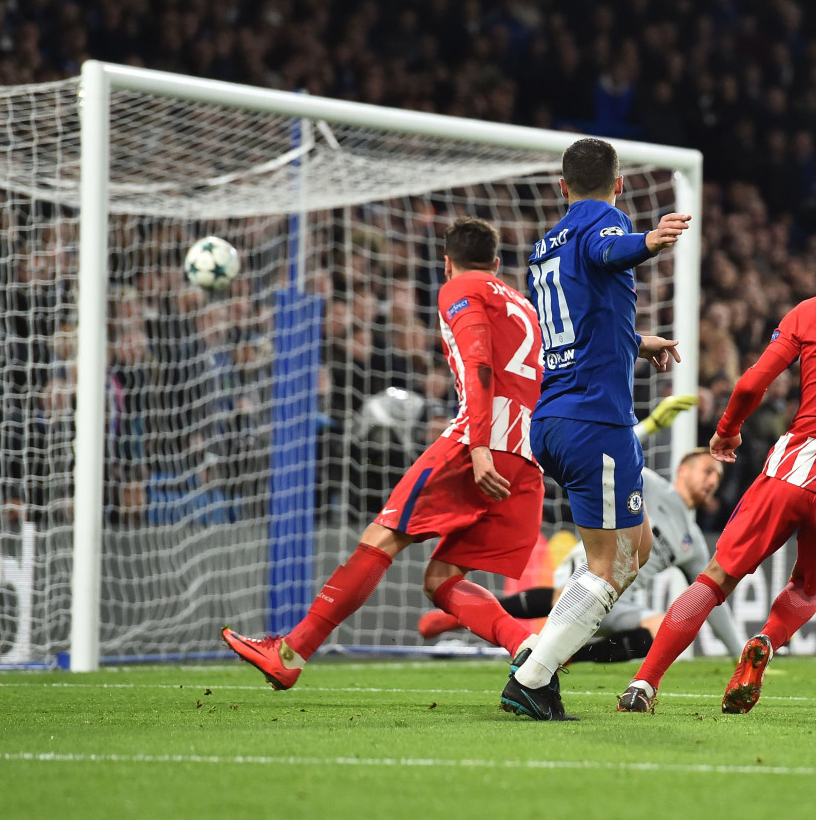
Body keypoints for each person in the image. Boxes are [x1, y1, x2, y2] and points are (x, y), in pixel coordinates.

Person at [617, 216, 816, 714]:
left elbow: (751, 384)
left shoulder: (812, 311)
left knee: (715, 578)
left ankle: (644, 684)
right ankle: (766, 643)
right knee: (808, 587)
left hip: (795, 470)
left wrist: (727, 429)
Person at [221, 218, 545, 689]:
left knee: (382, 536)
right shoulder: (524, 306)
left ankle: (292, 652)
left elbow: (478, 363)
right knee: (441, 579)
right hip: (525, 452)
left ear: (446, 262)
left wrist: (477, 447)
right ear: (497, 263)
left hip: (479, 444)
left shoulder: (460, 289)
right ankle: (527, 646)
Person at [501, 137, 690, 721]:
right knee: (610, 564)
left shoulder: (543, 247)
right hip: (594, 420)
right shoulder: (604, 223)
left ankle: (540, 651)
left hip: (555, 415)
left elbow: (583, 320)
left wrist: (640, 342)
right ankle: (533, 676)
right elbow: (611, 250)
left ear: (563, 186)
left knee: (639, 547)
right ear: (620, 183)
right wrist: (648, 241)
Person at [417, 396, 744, 662]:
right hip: (588, 569)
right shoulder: (650, 484)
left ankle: (573, 656)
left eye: (717, 476)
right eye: (706, 470)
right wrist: (651, 425)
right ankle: (459, 616)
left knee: (662, 628)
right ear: (682, 470)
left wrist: (738, 656)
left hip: (623, 602)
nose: (713, 480)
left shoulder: (695, 543)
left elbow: (709, 599)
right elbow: (615, 450)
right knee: (568, 594)